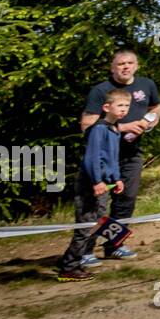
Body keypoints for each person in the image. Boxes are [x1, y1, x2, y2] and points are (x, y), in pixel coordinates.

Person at [78, 49, 160, 264]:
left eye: (130, 63)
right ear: (112, 68)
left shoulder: (146, 85)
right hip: (104, 158)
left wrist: (150, 122)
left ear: (137, 65)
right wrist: (122, 127)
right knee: (97, 205)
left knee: (127, 200)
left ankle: (113, 245)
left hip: (132, 154)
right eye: (121, 63)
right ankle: (85, 251)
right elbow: (86, 126)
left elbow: (156, 106)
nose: (125, 67)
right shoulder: (101, 91)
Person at [56, 89, 130, 282]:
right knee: (85, 225)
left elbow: (112, 159)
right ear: (107, 107)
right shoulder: (99, 129)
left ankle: (75, 260)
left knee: (97, 220)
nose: (124, 109)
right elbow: (92, 158)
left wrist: (117, 178)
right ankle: (69, 267)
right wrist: (96, 181)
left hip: (105, 183)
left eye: (127, 106)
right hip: (91, 182)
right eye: (120, 105)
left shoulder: (114, 130)